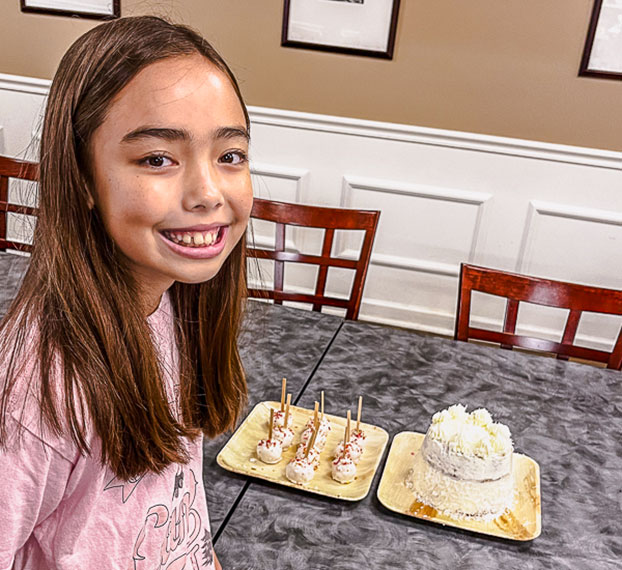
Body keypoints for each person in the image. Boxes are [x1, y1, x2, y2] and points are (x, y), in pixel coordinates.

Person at [0, 15, 253, 569]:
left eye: (229, 155)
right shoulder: (37, 386)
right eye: (158, 158)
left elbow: (174, 503)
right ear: (84, 178)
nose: (208, 192)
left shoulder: (175, 299)